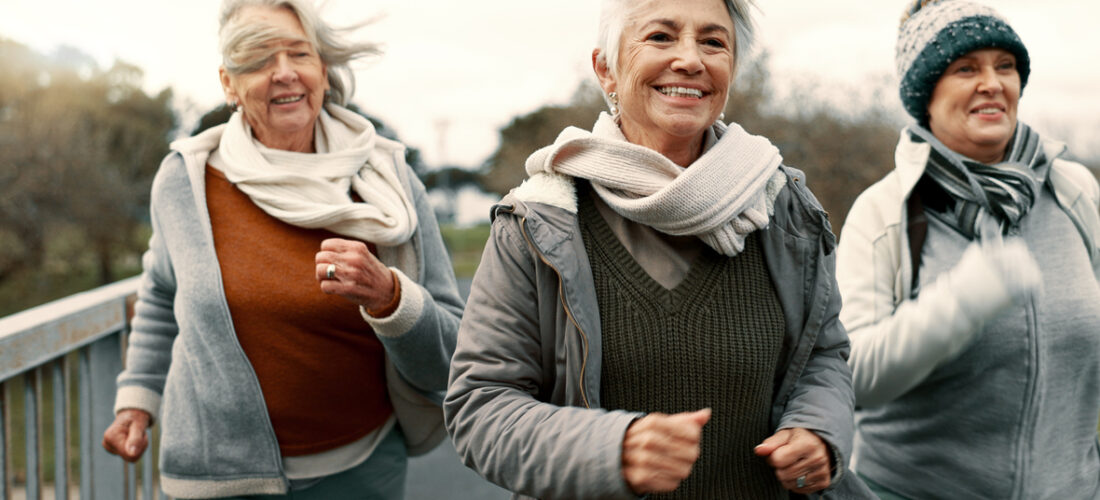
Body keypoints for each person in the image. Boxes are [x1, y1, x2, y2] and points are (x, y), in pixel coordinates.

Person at [445, 0, 871, 498]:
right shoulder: (537, 222)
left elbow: (823, 355)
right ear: (606, 68)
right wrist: (611, 449)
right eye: (661, 37)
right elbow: (481, 406)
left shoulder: (784, 209)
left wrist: (819, 430)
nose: (691, 59)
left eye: (713, 42)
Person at [100, 0, 464, 498]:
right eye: (258, 59)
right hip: (214, 476)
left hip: (361, 468)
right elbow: (162, 295)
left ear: (324, 70)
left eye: (299, 54)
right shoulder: (185, 179)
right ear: (228, 82)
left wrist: (391, 297)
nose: (284, 73)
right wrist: (136, 402)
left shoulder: (389, 178)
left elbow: (452, 354)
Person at [835, 0, 1100, 498]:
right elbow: (854, 377)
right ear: (925, 95)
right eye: (965, 69)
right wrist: (963, 300)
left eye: (1006, 66)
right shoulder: (886, 211)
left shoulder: (1075, 191)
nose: (992, 83)